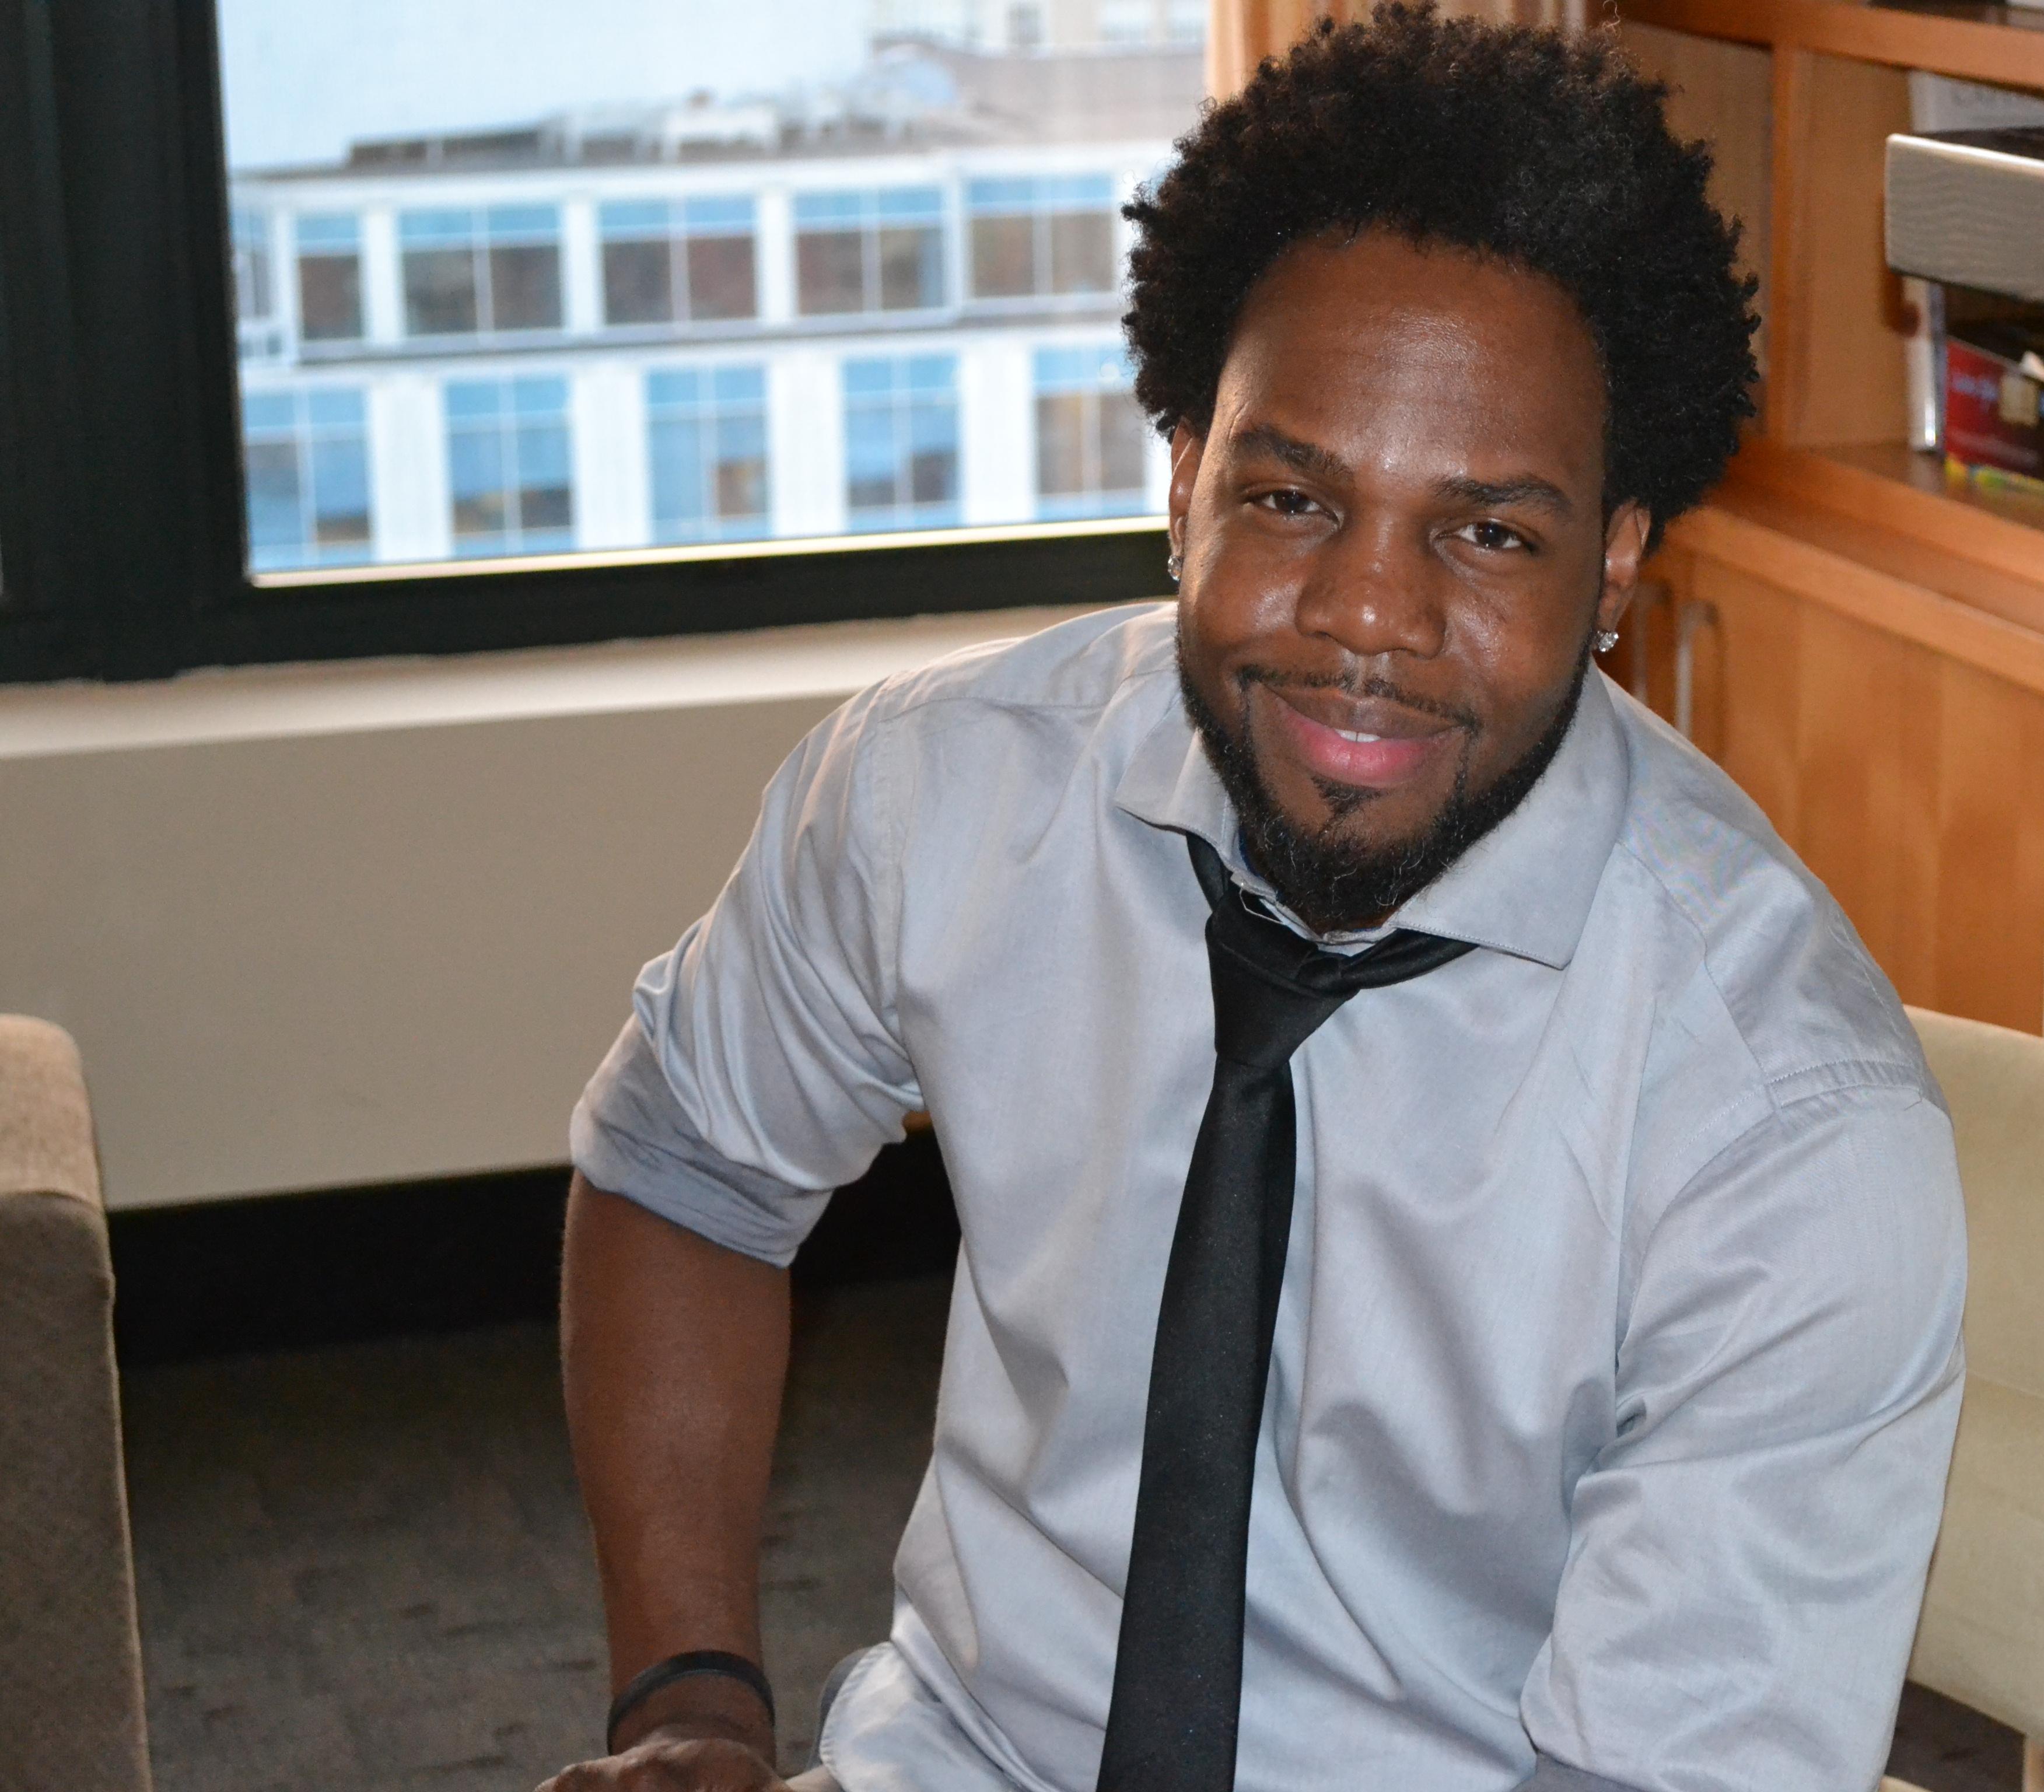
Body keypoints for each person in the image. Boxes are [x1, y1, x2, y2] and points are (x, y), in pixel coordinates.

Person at [538, 9, 1966, 1791]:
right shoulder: (945, 793)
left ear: (1615, 566)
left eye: (1488, 533)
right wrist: (689, 1704)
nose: (1367, 616)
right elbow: (682, 1169)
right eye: (1293, 497)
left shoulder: (1777, 1128)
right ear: (1183, 484)